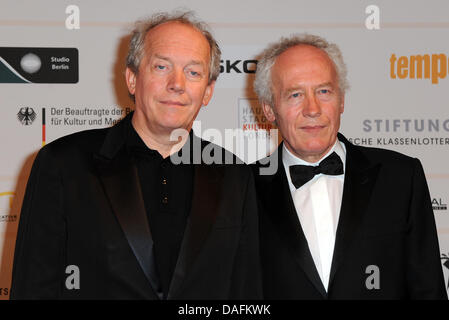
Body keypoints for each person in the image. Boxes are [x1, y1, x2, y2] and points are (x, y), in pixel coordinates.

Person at [10, 11, 262, 299]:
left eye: (193, 72)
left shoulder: (234, 174)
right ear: (132, 79)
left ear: (208, 91)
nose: (177, 84)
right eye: (161, 67)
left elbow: (245, 293)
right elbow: (32, 288)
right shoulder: (63, 164)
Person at [252, 34, 447, 299]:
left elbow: (428, 290)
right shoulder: (242, 189)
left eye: (324, 91)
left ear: (341, 100)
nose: (313, 108)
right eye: (295, 94)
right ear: (270, 110)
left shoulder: (400, 177)